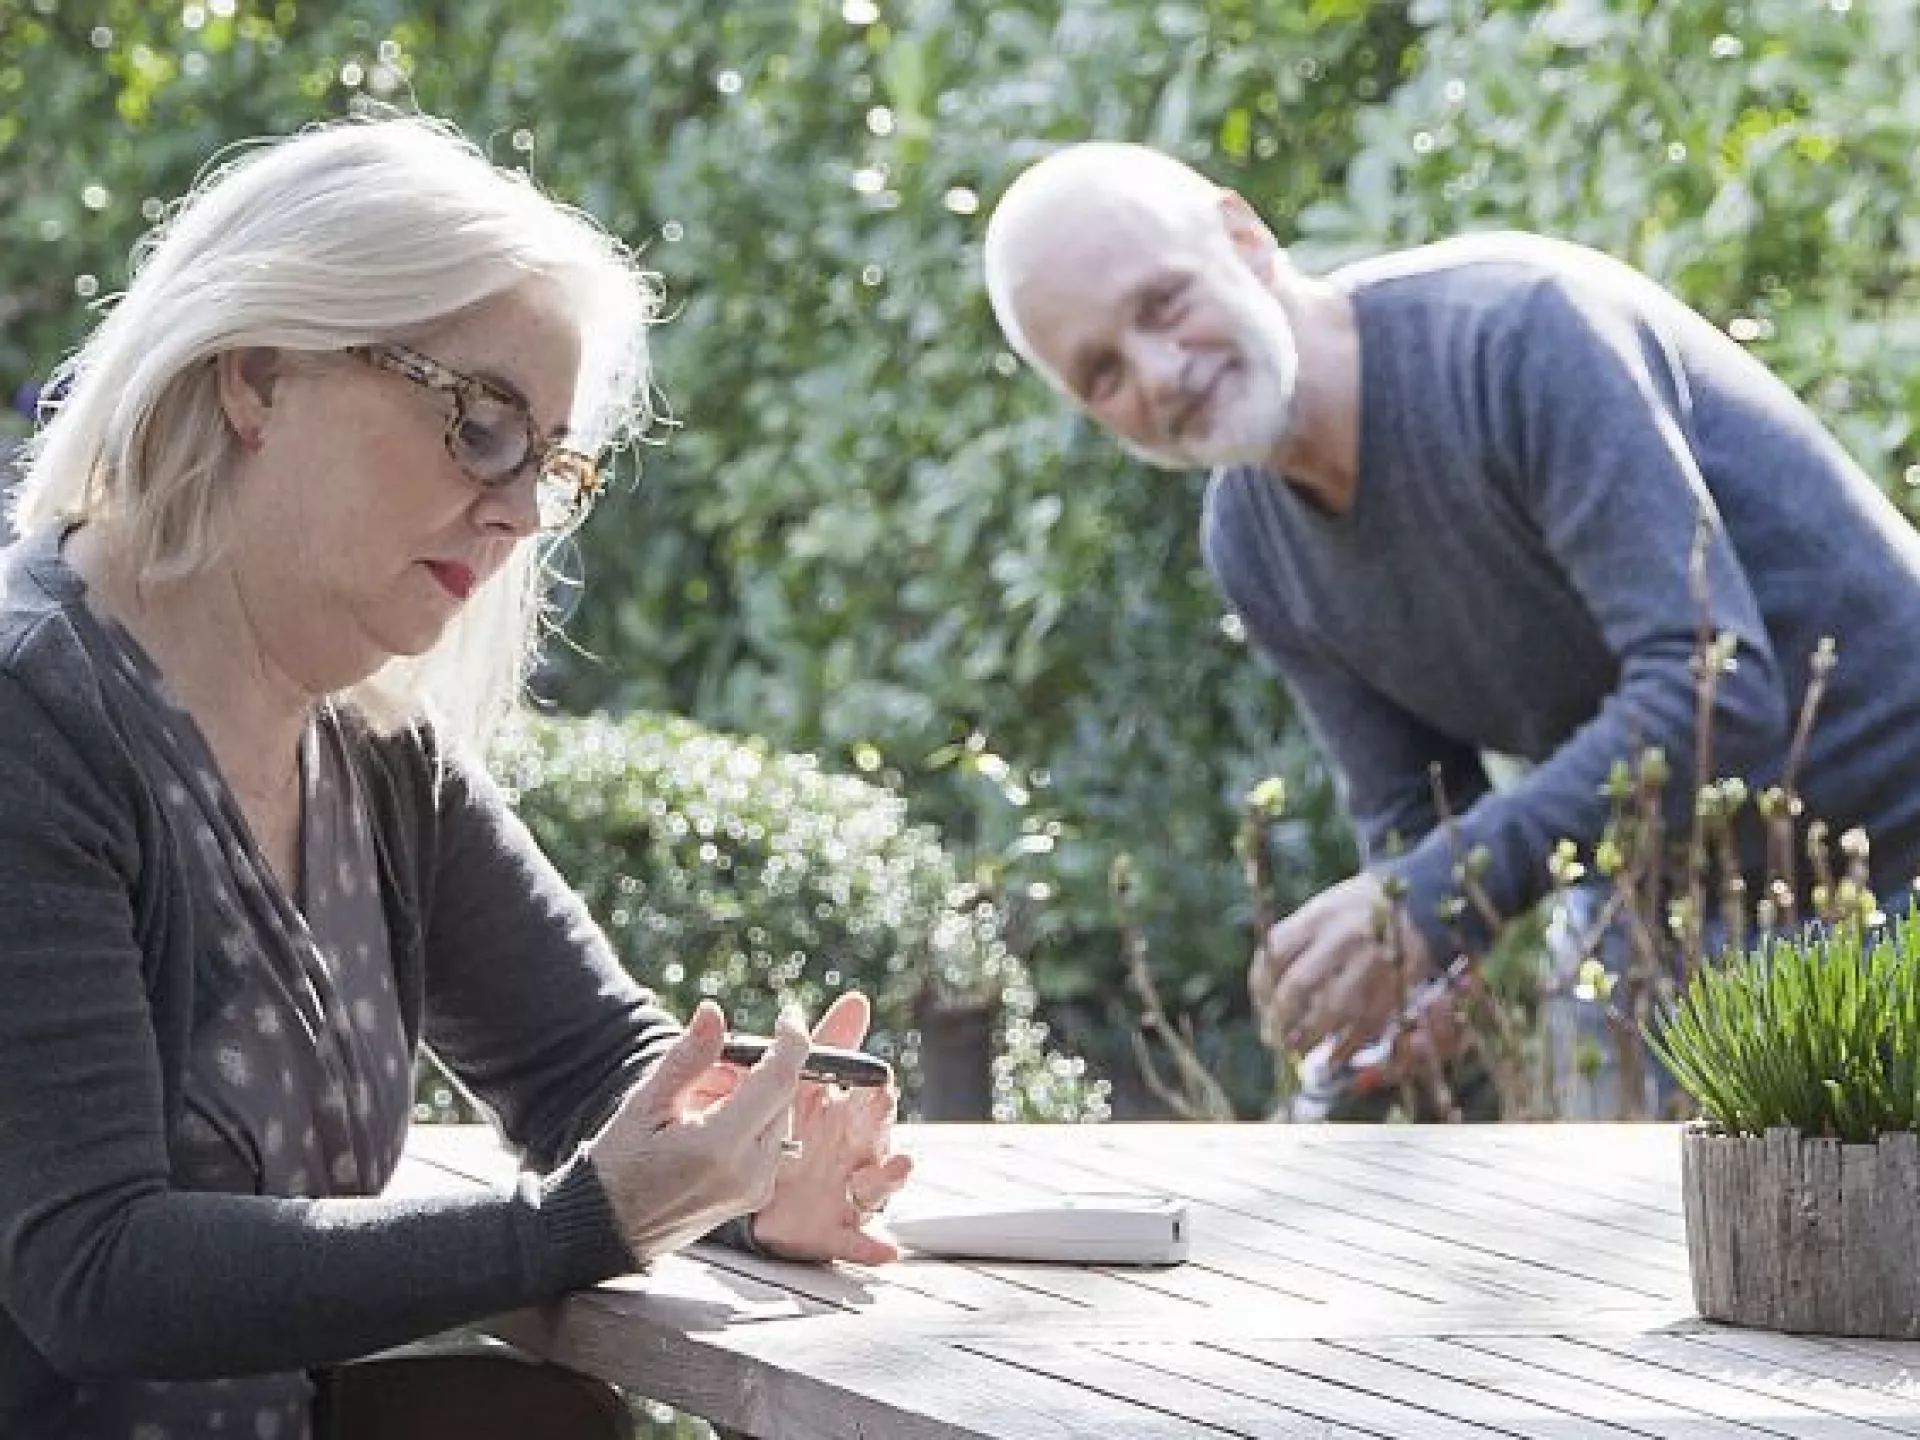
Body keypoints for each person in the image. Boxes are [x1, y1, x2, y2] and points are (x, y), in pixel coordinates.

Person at [0, 115, 912, 1440]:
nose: (523, 511)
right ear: (258, 378)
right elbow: (95, 1272)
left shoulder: (371, 740)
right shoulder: (30, 714)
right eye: (481, 426)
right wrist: (578, 1222)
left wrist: (750, 1162)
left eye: (553, 463)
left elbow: (589, 1059)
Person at [980, 141, 1920, 1118]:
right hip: (1674, 912)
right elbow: (1416, 820)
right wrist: (1413, 978)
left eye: (1164, 303)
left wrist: (1439, 895)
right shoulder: (1249, 540)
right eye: (1102, 373)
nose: (1161, 372)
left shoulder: (1516, 335)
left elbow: (1720, 688)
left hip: (1900, 845)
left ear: (1245, 238)